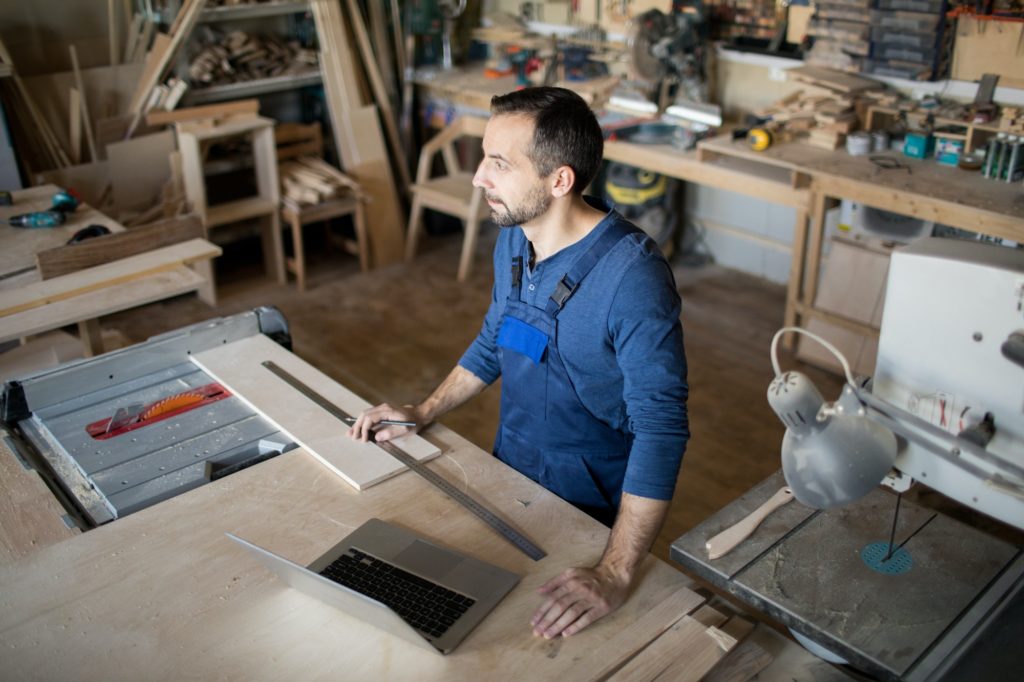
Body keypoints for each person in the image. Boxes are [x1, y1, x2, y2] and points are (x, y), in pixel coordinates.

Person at [348, 86, 689, 640]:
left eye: (499, 164)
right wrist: (425, 409)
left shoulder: (633, 278)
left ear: (560, 181)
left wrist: (615, 571)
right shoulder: (514, 238)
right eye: (485, 158)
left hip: (589, 502)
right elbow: (496, 340)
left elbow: (662, 428)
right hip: (511, 469)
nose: (478, 178)